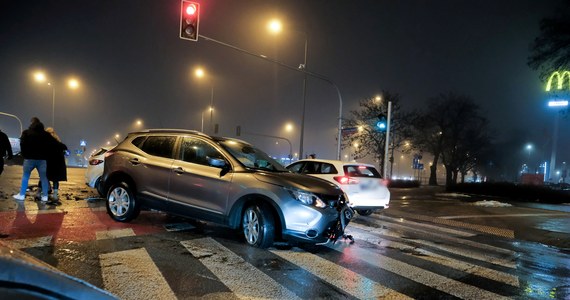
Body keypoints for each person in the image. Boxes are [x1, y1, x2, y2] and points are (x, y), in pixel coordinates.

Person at [13, 117, 54, 202]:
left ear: (32, 123)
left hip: (29, 159)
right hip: (42, 160)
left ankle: (21, 195)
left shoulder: (26, 133)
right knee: (44, 178)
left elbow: (22, 144)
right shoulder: (46, 134)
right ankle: (45, 196)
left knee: (26, 176)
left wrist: (24, 155)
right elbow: (51, 145)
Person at [45, 127, 67, 204]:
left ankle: (46, 192)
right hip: (58, 164)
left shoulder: (47, 141)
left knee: (44, 177)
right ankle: (55, 195)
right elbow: (64, 147)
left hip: (50, 163)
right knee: (55, 180)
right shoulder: (58, 141)